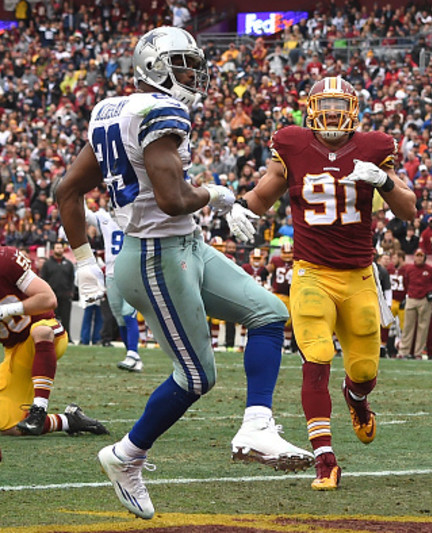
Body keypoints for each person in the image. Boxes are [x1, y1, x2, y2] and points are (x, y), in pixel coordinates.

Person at [56, 26, 313, 519]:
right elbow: (174, 201)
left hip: (182, 246)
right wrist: (215, 193)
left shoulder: (114, 110)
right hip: (156, 256)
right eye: (183, 64)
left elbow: (66, 190)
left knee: (267, 313)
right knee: (197, 376)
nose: (193, 75)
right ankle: (125, 456)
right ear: (155, 67)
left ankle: (257, 426)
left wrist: (86, 263)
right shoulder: (159, 111)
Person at [226, 75, 417, 490]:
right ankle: (324, 458)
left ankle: (357, 397)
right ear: (310, 110)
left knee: (364, 369)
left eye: (339, 104)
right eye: (324, 104)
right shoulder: (293, 144)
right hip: (311, 271)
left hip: (359, 275)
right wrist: (242, 209)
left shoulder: (374, 148)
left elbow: (409, 210)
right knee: (315, 357)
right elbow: (263, 193)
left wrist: (384, 181)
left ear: (353, 109)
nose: (332, 112)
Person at [0, 226, 108, 437]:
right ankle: (70, 421)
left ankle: (39, 408)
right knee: (9, 425)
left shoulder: (3, 260)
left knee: (40, 331)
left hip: (47, 331)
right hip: (15, 349)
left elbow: (48, 298)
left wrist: (9, 309)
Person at [85, 203, 142, 371]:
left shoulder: (136, 220)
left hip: (131, 272)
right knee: (119, 317)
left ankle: (133, 353)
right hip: (111, 275)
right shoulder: (105, 219)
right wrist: (77, 192)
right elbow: (86, 215)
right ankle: (131, 355)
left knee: (128, 313)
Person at [396, 249, 432, 359]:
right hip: (411, 298)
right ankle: (403, 351)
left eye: (421, 256)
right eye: (417, 256)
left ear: (424, 257)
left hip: (425, 300)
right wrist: (408, 293)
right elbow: (406, 283)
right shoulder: (409, 269)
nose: (419, 258)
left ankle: (418, 352)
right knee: (407, 326)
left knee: (423, 327)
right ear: (414, 257)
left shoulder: (429, 269)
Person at [38, 241, 75, 341]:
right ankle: (51, 337)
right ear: (53, 250)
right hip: (52, 296)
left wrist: (71, 292)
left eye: (61, 248)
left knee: (66, 318)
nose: (59, 250)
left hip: (65, 295)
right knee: (51, 318)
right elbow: (43, 279)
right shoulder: (47, 264)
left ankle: (67, 337)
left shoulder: (68, 264)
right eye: (57, 248)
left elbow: (72, 279)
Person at [267, 242, 295, 352]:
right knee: (277, 320)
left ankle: (287, 345)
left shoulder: (296, 261)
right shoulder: (275, 261)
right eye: (285, 252)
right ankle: (275, 343)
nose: (288, 255)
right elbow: (266, 271)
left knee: (290, 322)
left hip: (292, 295)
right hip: (279, 294)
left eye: (289, 252)